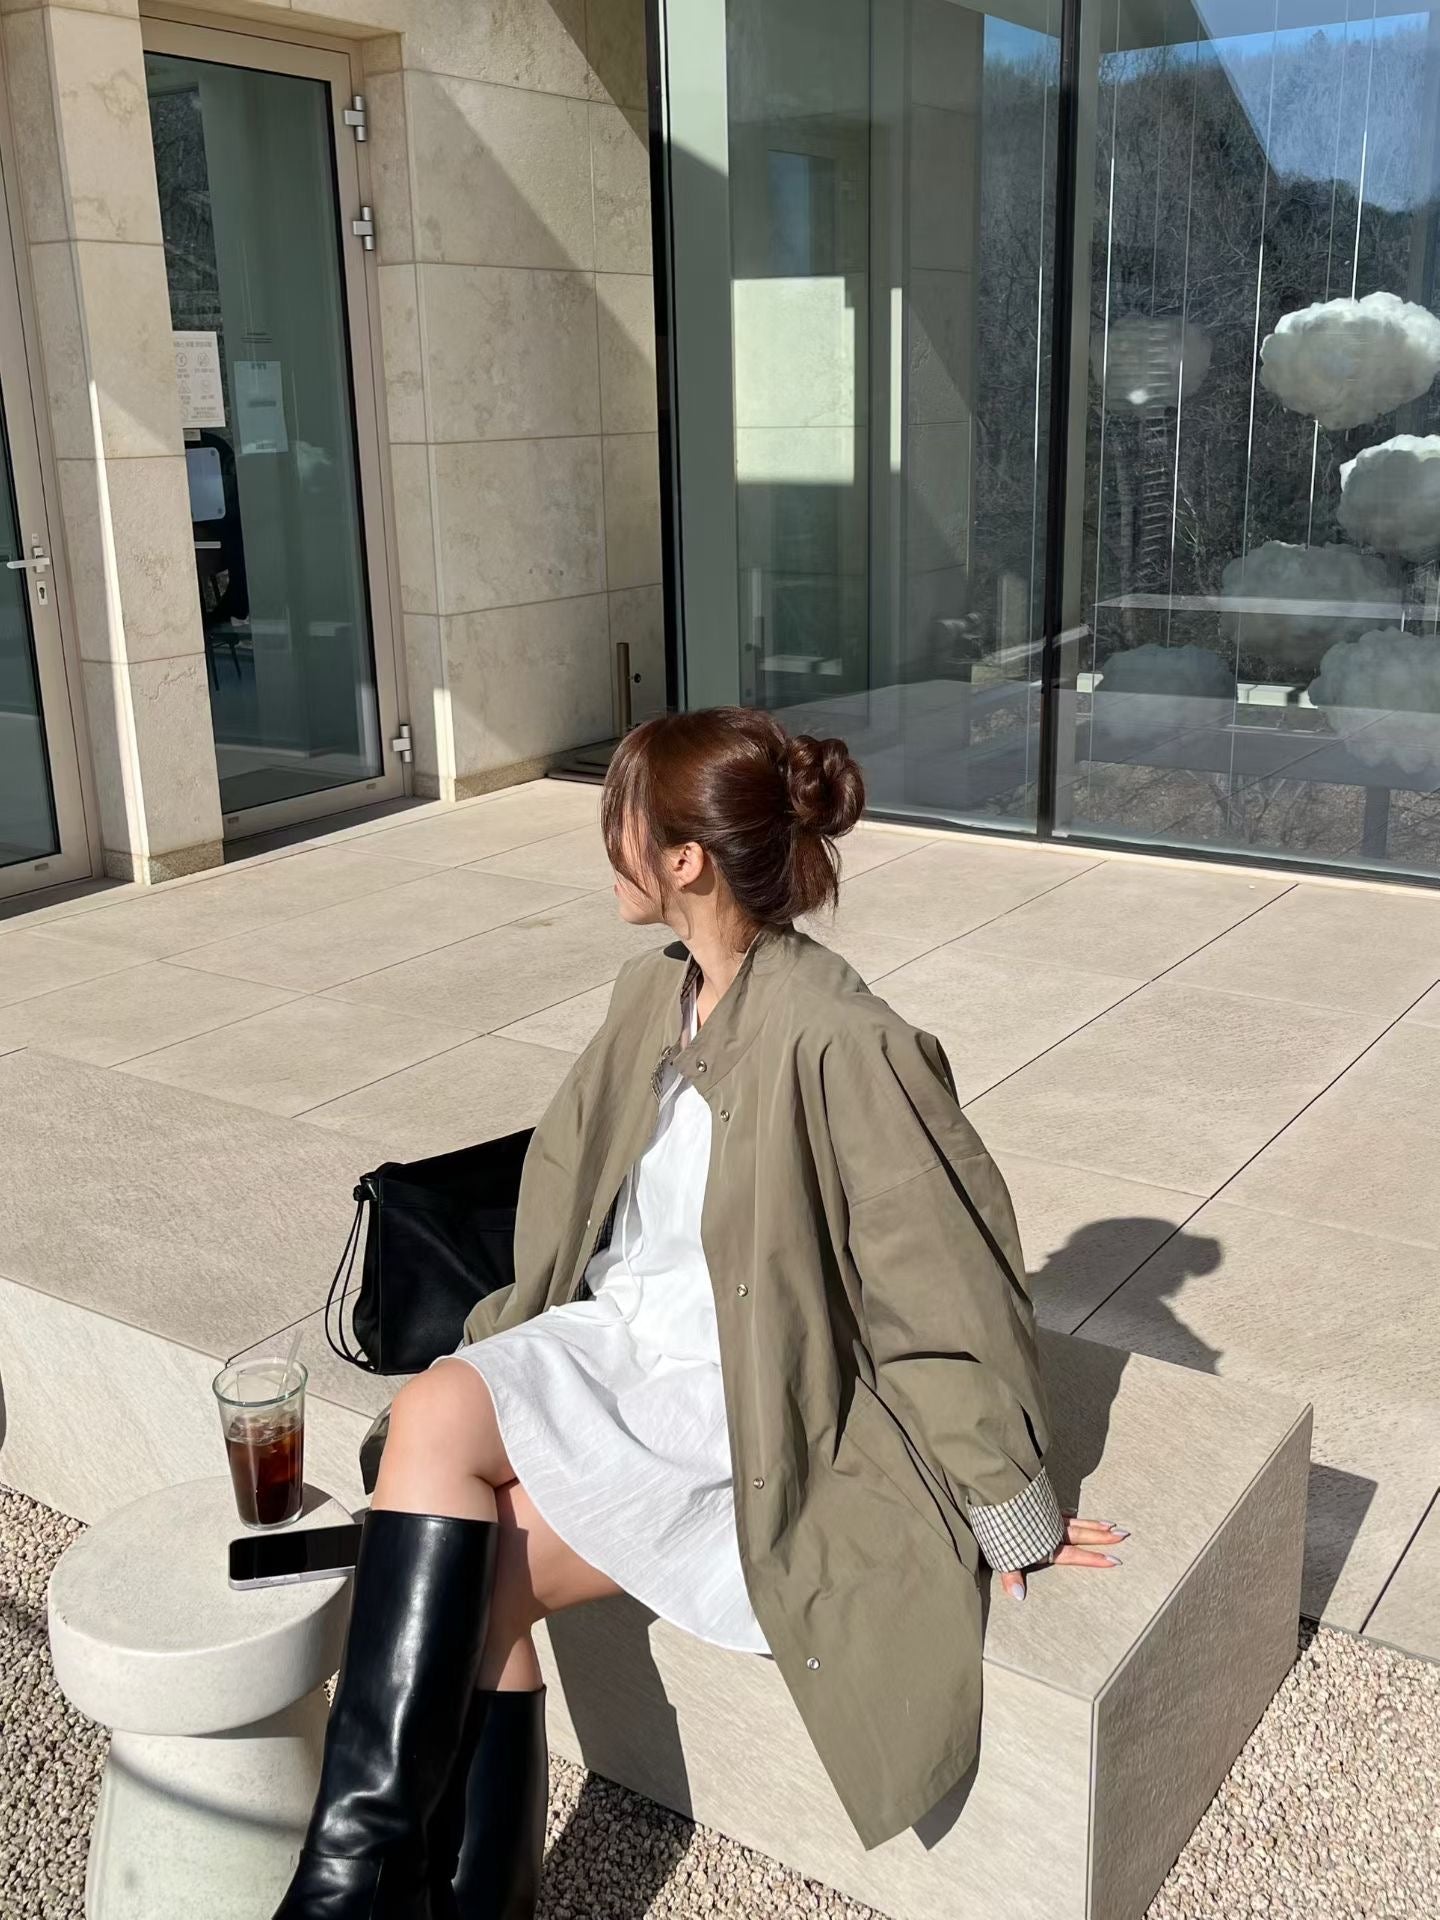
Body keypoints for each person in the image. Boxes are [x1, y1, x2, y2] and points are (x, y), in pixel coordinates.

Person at [272, 708, 1127, 1919]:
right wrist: (512, 1330)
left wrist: (1007, 1503)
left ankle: (349, 1899)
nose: (605, 843)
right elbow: (570, 1197)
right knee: (439, 1418)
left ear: (685, 859)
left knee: (486, 1575)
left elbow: (943, 1284)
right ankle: (365, 1891)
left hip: (735, 1393)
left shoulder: (843, 1040)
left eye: (621, 820)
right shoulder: (650, 997)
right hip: (620, 1340)